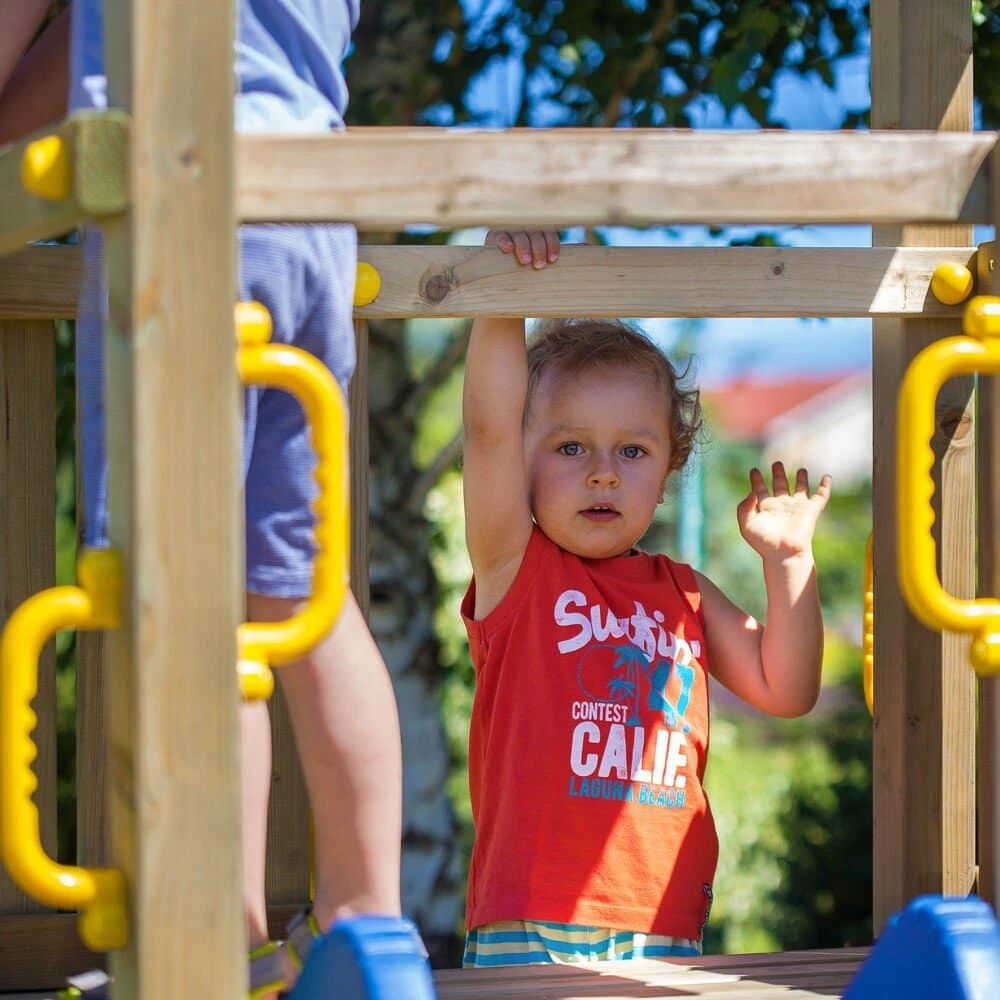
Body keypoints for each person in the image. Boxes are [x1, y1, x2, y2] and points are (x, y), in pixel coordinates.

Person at [1, 3, 407, 997]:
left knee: (186, 597)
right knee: (299, 595)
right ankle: (370, 925)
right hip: (313, 199)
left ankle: (208, 950)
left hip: (185, 199)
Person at [460, 229, 832, 967]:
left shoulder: (684, 594)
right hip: (528, 922)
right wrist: (501, 299)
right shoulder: (518, 570)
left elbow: (786, 689)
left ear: (669, 470)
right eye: (570, 448)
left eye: (633, 451)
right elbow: (488, 429)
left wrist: (789, 564)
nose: (603, 474)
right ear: (524, 462)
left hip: (662, 922)